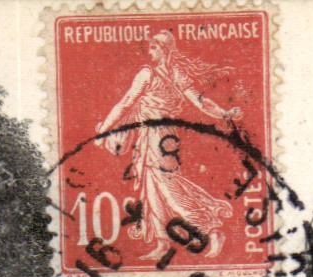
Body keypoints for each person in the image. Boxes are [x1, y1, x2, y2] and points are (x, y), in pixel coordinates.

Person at [96, 30, 242, 260]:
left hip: (159, 136)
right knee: (151, 188)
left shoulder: (152, 74)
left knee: (168, 187)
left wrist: (104, 128)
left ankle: (211, 229)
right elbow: (201, 103)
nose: (150, 52)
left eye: (154, 48)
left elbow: (126, 104)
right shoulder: (175, 74)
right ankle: (162, 243)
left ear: (164, 49)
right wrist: (224, 113)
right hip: (157, 136)